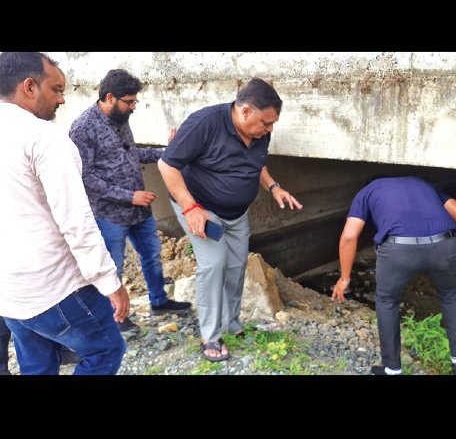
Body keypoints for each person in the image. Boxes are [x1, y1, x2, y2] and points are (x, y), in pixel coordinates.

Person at [0, 52, 129, 375]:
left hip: (9, 291)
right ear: (29, 87)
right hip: (52, 287)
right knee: (106, 350)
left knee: (37, 365)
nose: (61, 100)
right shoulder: (43, 137)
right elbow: (76, 220)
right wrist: (109, 281)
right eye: (56, 89)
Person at [158, 77, 302, 362]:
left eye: (272, 124)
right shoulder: (205, 123)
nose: (270, 130)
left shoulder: (260, 132)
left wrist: (274, 187)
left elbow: (256, 164)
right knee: (214, 265)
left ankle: (231, 322)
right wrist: (191, 209)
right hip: (201, 208)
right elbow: (167, 165)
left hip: (237, 213)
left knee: (236, 266)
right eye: (266, 123)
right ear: (245, 111)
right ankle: (209, 335)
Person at [69, 69, 192, 334]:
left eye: (135, 101)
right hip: (110, 214)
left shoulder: (121, 118)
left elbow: (131, 153)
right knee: (113, 267)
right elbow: (85, 177)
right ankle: (115, 319)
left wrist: (167, 153)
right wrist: (130, 196)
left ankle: (159, 301)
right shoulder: (82, 128)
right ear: (110, 98)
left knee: (152, 255)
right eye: (129, 101)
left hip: (140, 211)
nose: (134, 106)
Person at [332, 176, 456, 375]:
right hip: (443, 246)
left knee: (387, 301)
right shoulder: (423, 185)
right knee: (450, 295)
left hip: (399, 251)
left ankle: (391, 369)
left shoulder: (367, 191)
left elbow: (349, 236)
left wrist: (344, 278)